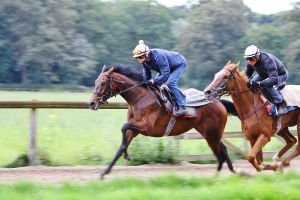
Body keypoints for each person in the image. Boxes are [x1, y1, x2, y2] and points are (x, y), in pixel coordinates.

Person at [132, 40, 187, 116]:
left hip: (178, 64)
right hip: (167, 67)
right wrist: (144, 82)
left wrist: (153, 81)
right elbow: (147, 75)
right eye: (137, 58)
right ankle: (165, 100)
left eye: (140, 57)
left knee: (170, 83)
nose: (139, 59)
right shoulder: (144, 61)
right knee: (153, 84)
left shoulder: (158, 56)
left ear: (147, 54)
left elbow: (165, 75)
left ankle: (182, 105)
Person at [243, 45, 288, 116]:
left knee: (266, 84)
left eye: (250, 59)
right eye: (247, 59)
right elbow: (245, 76)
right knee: (251, 82)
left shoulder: (268, 60)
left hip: (280, 75)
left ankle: (280, 104)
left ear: (257, 56)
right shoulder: (251, 62)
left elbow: (273, 79)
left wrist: (260, 83)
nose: (249, 61)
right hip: (265, 75)